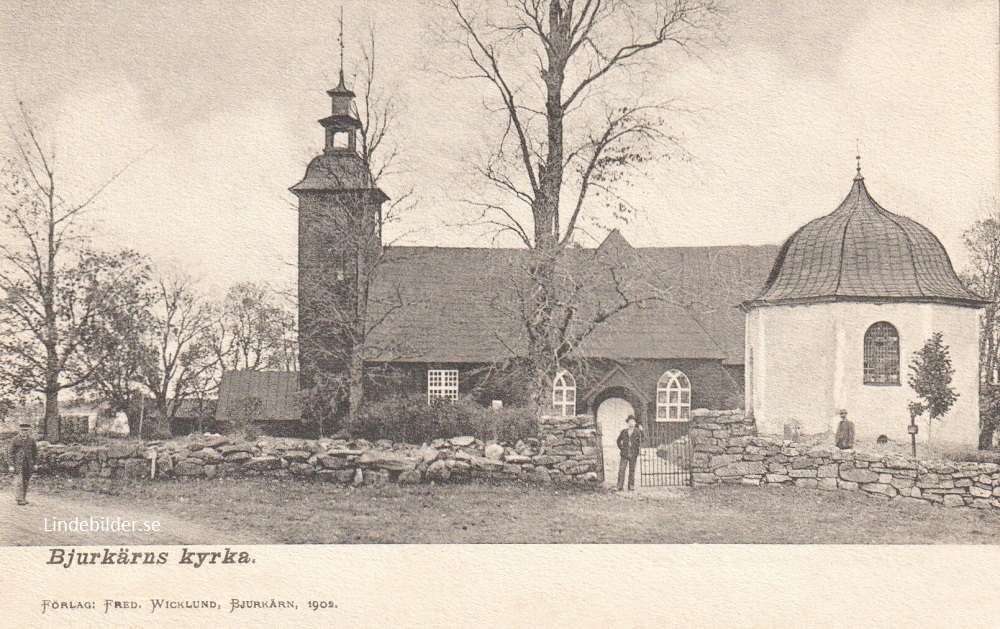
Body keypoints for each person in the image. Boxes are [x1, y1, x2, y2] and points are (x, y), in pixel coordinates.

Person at [8, 421, 38, 506]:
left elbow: (35, 453)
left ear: (29, 431)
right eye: (23, 430)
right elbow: (10, 453)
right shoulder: (15, 439)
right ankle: (19, 499)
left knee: (25, 481)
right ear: (19, 431)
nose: (24, 432)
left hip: (28, 464)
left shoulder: (31, 440)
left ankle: (23, 498)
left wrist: (35, 464)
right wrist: (11, 465)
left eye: (26, 430)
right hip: (18, 464)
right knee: (19, 481)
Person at [616, 415, 643, 491]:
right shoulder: (624, 431)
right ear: (628, 422)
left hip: (633, 454)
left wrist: (637, 450)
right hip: (624, 453)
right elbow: (618, 440)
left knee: (632, 470)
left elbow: (642, 440)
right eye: (630, 421)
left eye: (633, 421)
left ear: (635, 423)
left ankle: (631, 486)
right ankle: (619, 486)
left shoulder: (637, 431)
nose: (631, 423)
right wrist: (621, 448)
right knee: (622, 470)